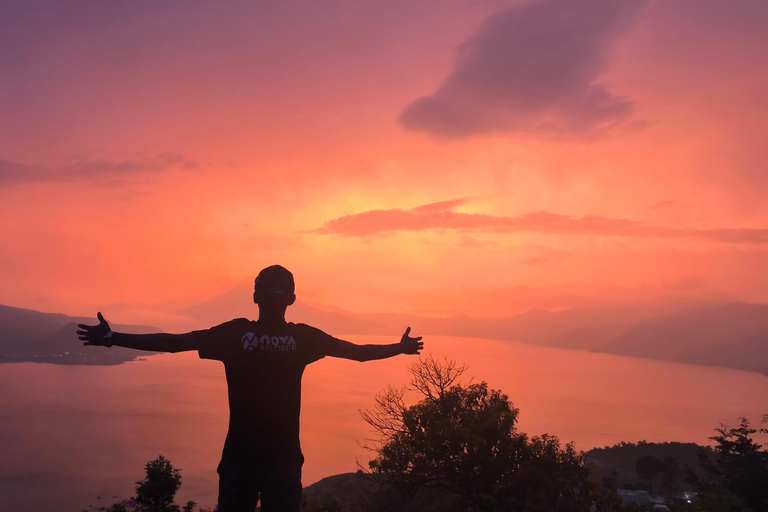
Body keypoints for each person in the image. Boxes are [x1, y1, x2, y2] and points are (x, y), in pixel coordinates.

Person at [77, 264, 423, 512]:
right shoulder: (302, 338)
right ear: (292, 299)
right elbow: (358, 354)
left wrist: (112, 338)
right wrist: (399, 347)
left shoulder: (234, 335)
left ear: (255, 295)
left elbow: (173, 343)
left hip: (240, 458)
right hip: (284, 459)